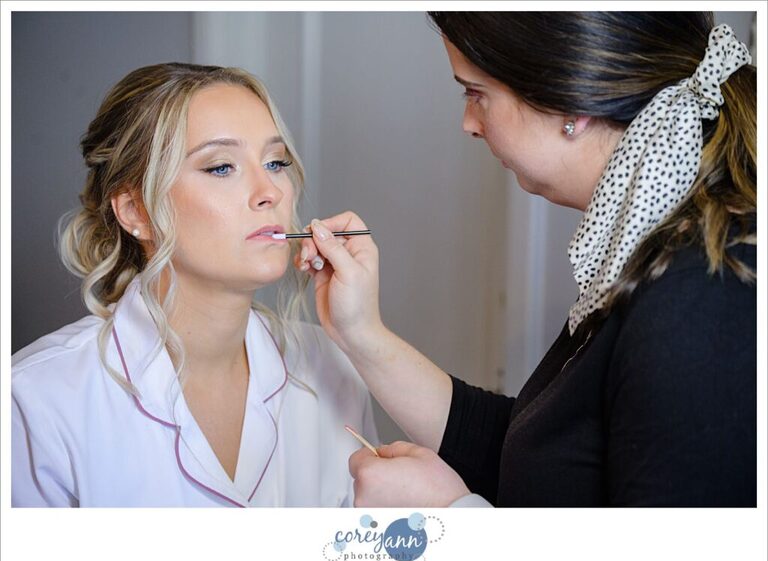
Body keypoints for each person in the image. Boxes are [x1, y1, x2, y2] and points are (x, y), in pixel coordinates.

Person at [296, 13, 756, 507]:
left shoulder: (701, 302)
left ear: (566, 102)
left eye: (476, 94)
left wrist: (454, 520)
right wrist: (360, 332)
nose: (468, 124)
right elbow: (544, 459)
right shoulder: (647, 245)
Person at [11, 63, 378, 507]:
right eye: (222, 167)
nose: (270, 192)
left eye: (275, 162)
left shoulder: (334, 364)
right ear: (135, 212)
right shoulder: (34, 399)